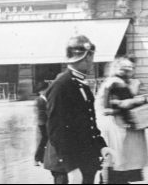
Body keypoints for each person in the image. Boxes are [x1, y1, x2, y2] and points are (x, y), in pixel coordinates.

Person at [43, 35, 109, 185]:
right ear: (84, 57)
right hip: (68, 163)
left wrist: (102, 147)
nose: (91, 61)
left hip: (84, 159)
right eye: (89, 57)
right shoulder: (61, 86)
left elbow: (89, 124)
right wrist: (71, 167)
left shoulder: (82, 85)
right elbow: (56, 130)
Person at [96, 57, 148, 184]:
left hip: (116, 129)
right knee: (118, 166)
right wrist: (138, 100)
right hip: (117, 129)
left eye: (131, 68)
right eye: (126, 69)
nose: (130, 71)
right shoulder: (116, 83)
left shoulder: (113, 82)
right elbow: (110, 107)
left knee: (116, 168)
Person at [34, 81, 49, 166]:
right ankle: (36, 159)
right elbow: (41, 113)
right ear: (41, 91)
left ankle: (42, 158)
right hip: (42, 123)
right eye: (45, 89)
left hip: (45, 122)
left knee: (45, 141)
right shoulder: (39, 100)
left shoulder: (45, 98)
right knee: (42, 141)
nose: (46, 90)